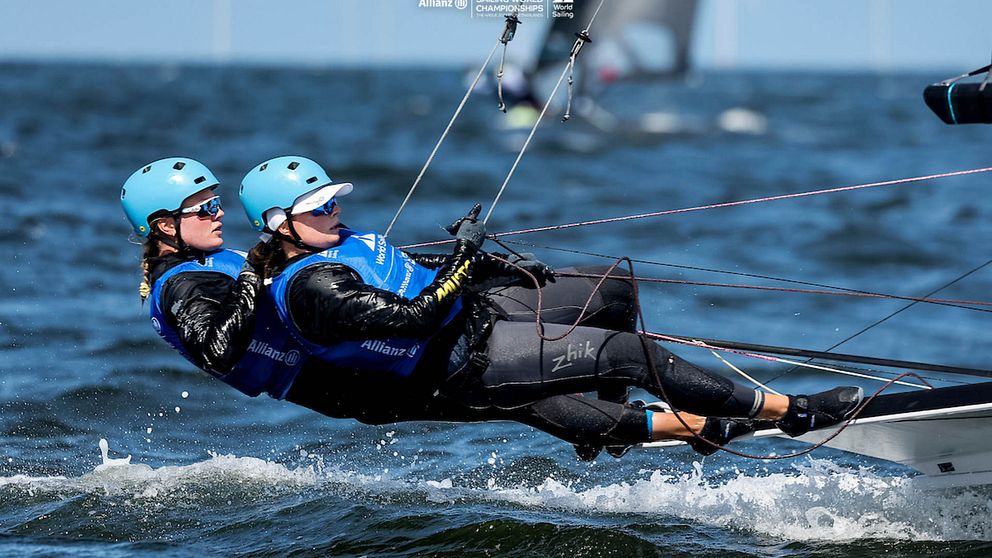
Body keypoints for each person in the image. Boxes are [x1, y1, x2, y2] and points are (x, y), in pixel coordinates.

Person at [238, 155, 866, 458]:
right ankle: (795, 412)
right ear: (279, 224)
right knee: (629, 354)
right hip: (457, 362)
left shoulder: (340, 243)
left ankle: (607, 421)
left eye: (334, 200)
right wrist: (464, 264)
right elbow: (414, 319)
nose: (335, 212)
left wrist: (485, 264)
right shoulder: (311, 287)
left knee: (612, 289)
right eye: (320, 207)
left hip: (474, 318)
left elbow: (410, 276)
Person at [120, 157, 307, 399]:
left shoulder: (202, 264)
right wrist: (251, 277)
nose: (219, 213)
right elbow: (216, 352)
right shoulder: (183, 285)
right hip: (329, 379)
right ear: (167, 226)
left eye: (216, 203)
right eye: (206, 208)